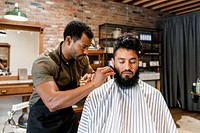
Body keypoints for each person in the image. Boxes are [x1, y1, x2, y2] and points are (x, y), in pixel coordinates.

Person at [78, 34, 178, 133]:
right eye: (121, 62)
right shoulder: (97, 96)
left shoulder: (154, 95)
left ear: (138, 62)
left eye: (132, 61)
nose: (127, 67)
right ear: (113, 63)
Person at [26, 21, 115, 133]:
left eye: (88, 47)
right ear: (69, 40)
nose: (86, 52)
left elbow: (90, 73)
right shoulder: (45, 62)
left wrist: (92, 76)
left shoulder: (82, 59)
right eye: (83, 47)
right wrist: (93, 84)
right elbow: (52, 102)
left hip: (67, 117)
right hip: (42, 121)